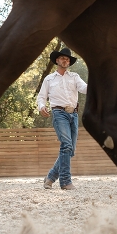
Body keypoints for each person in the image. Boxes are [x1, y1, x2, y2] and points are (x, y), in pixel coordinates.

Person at [37, 48, 87, 190]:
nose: (66, 60)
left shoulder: (75, 77)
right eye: (63, 58)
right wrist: (41, 106)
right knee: (66, 145)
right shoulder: (49, 79)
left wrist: (99, 85)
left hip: (74, 115)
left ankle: (50, 177)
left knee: (70, 150)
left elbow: (84, 88)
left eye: (68, 59)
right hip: (59, 114)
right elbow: (41, 97)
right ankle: (65, 182)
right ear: (57, 60)